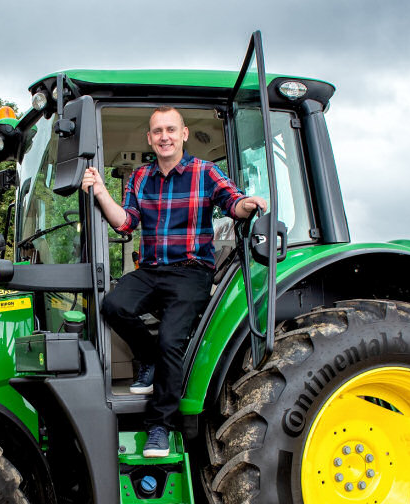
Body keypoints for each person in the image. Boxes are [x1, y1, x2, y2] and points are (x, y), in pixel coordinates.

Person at [81, 106, 266, 457]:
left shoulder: (204, 172)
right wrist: (102, 191)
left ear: (183, 134)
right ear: (150, 139)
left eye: (171, 129)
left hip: (191, 271)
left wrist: (248, 204)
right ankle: (147, 360)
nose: (164, 136)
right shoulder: (140, 177)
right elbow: (125, 222)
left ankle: (160, 426)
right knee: (113, 305)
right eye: (157, 131)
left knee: (170, 341)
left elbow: (232, 202)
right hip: (152, 269)